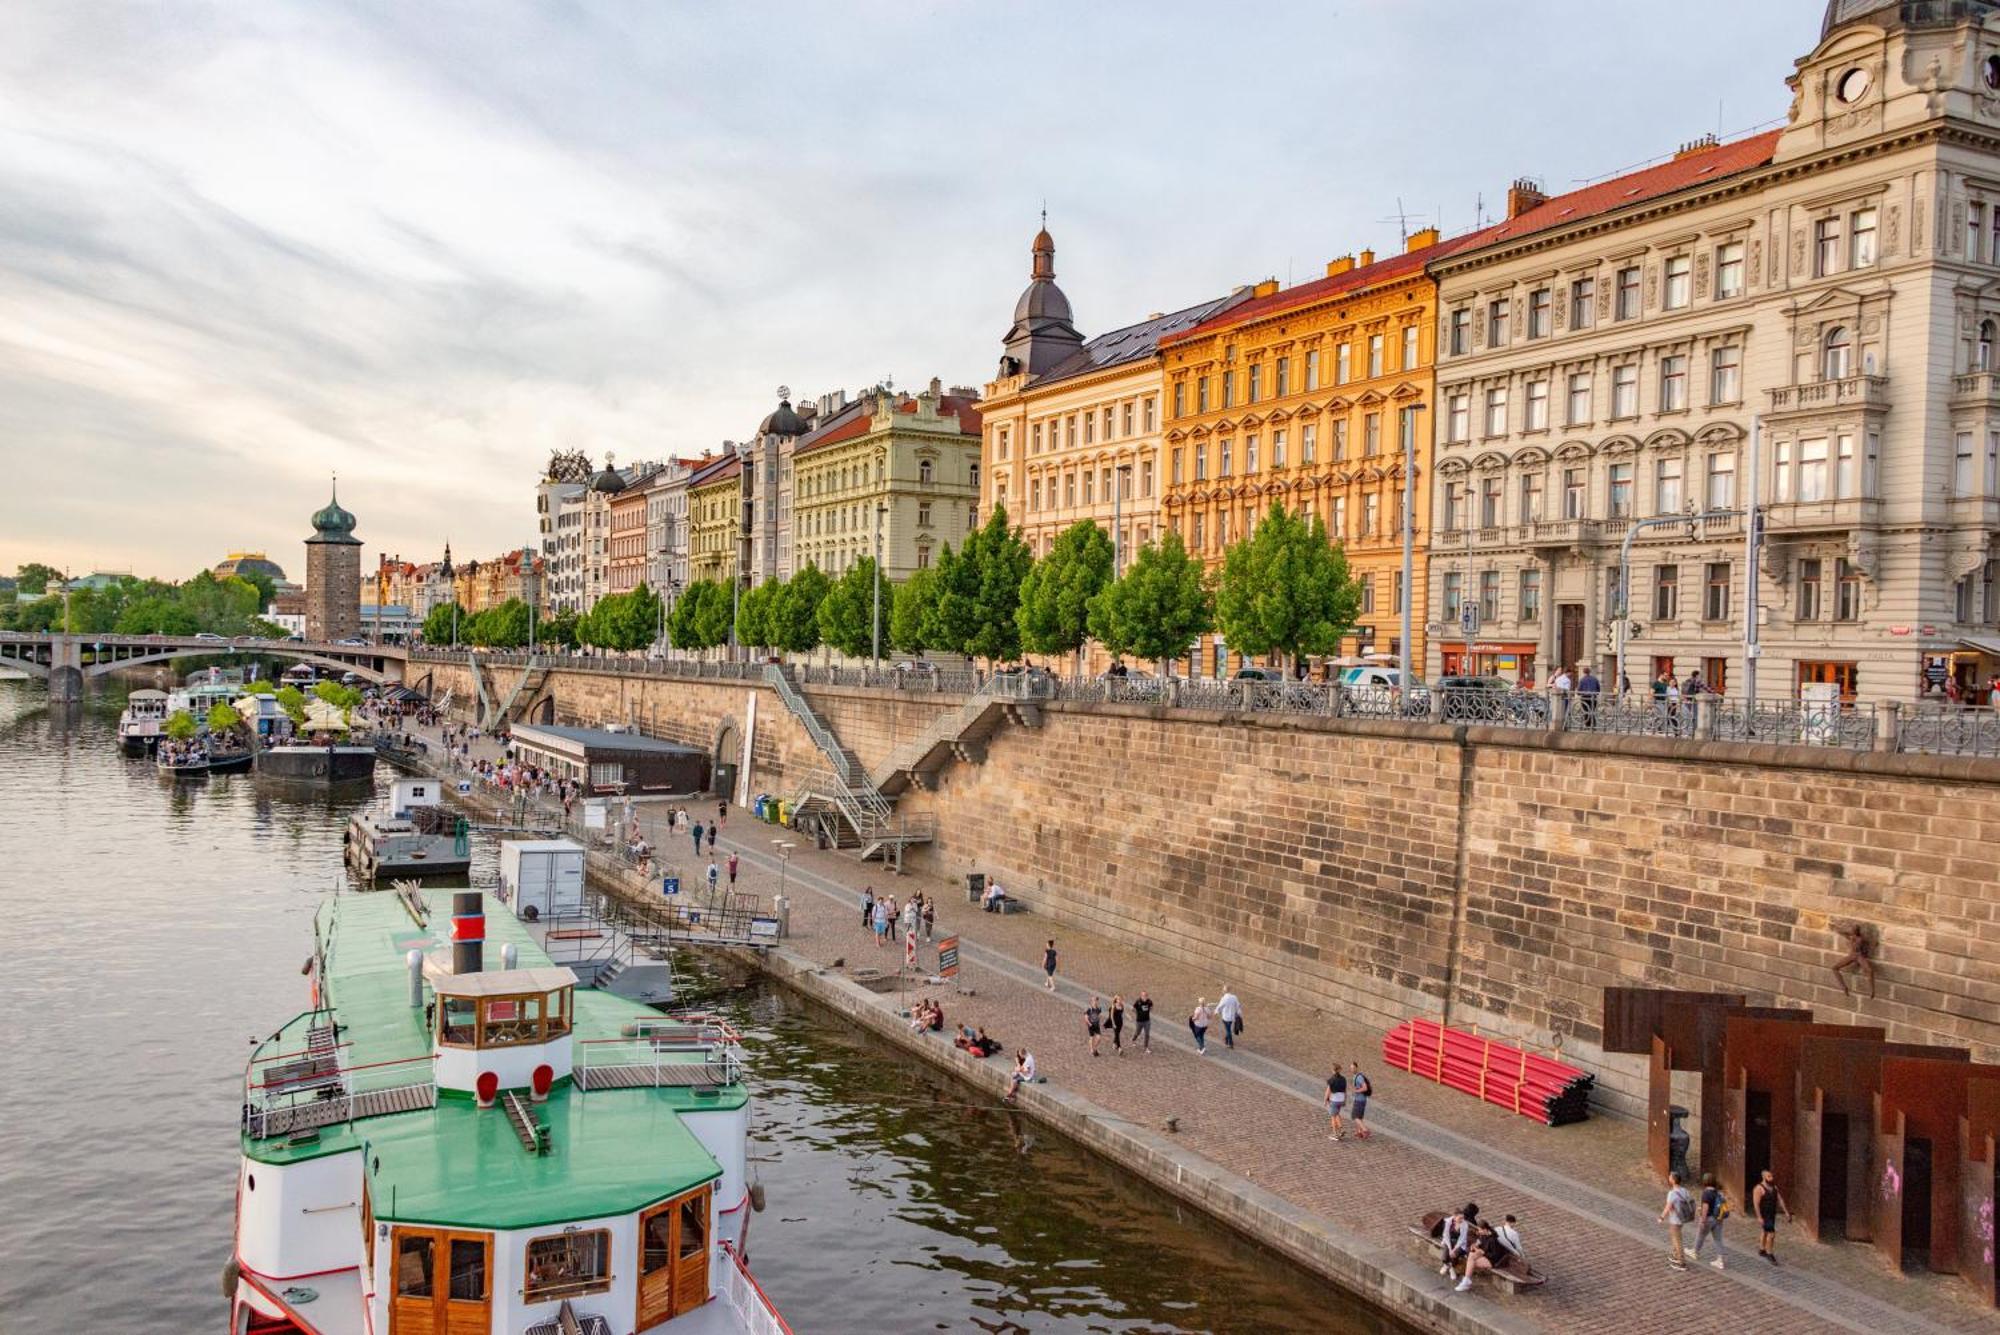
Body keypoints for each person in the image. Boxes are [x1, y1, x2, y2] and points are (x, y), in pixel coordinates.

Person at [1751, 1169, 1793, 1265]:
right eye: (1769, 1176)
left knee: (1765, 1231)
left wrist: (1786, 1212)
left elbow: (1780, 1199)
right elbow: (1756, 1204)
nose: (1771, 1178)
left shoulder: (1774, 1187)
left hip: (1772, 1213)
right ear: (1764, 1177)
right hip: (1765, 1214)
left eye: (1771, 1176)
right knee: (1771, 1234)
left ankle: (1762, 1249)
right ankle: (1769, 1253)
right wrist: (1759, 1217)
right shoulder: (1759, 1188)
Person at [1832, 923, 1877, 999]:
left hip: (1859, 956)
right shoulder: (1850, 936)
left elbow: (1872, 943)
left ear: (1857, 931)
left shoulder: (1861, 939)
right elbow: (1842, 933)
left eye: (1854, 930)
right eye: (1852, 929)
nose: (1853, 931)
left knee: (1870, 970)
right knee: (1834, 968)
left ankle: (1872, 990)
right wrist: (1835, 927)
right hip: (1852, 956)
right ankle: (1844, 987)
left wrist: (1869, 949)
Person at [1661, 1171, 1695, 1271]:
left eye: (1670, 1177)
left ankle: (1681, 1262)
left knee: (1677, 1240)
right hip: (1682, 1219)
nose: (1669, 1178)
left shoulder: (1672, 1193)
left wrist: (1661, 1217)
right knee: (1675, 1237)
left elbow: (1668, 1207)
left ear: (1673, 1180)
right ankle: (1675, 1256)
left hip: (1675, 1220)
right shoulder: (1684, 1190)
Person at [1694, 1173, 1727, 1269]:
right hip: (1718, 1219)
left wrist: (1702, 1221)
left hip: (1709, 1219)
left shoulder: (1706, 1193)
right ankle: (1720, 1260)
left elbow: (1705, 1208)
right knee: (1718, 1239)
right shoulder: (1717, 1192)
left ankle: (1695, 1252)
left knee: (1701, 1235)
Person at [1347, 1061, 1372, 1140]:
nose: (1352, 1069)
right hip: (1361, 1099)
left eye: (1353, 1068)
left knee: (1354, 1116)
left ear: (1357, 1068)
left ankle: (1365, 1130)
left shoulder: (1359, 1077)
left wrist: (1356, 1091)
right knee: (1359, 1117)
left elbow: (1365, 1088)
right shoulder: (1356, 1076)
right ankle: (1359, 1132)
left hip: (1360, 1100)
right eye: (1351, 1068)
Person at [1325, 1065, 1348, 1140]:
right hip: (1341, 1100)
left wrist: (1325, 1100)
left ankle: (1335, 1134)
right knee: (1337, 1113)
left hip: (1334, 1100)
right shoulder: (1343, 1079)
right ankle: (1341, 1129)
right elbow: (1345, 1091)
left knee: (1333, 1117)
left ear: (1333, 1070)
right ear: (1339, 1070)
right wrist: (1344, 1100)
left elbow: (1328, 1092)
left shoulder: (1331, 1080)